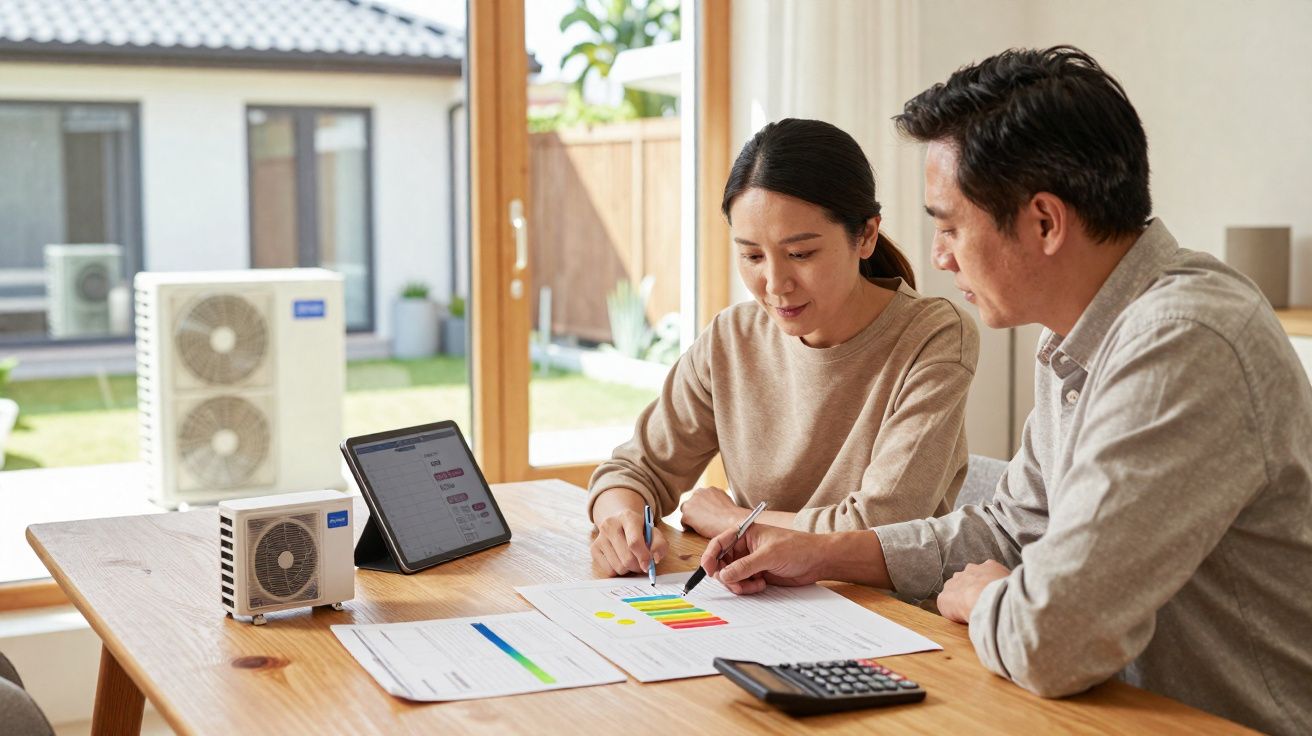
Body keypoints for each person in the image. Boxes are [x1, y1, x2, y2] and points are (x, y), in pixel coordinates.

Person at [698, 47, 1312, 735]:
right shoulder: (1078, 338)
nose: (937, 255)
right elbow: (1010, 528)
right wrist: (819, 551)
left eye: (950, 224)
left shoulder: (1185, 341)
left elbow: (1055, 639)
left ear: (1044, 222)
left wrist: (989, 597)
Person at [587, 118, 980, 578]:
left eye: (800, 254)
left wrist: (734, 521)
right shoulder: (731, 339)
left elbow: (879, 529)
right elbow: (637, 468)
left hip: (879, 612)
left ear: (866, 235)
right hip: (757, 601)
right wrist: (620, 519)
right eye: (752, 256)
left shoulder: (933, 335)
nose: (775, 285)